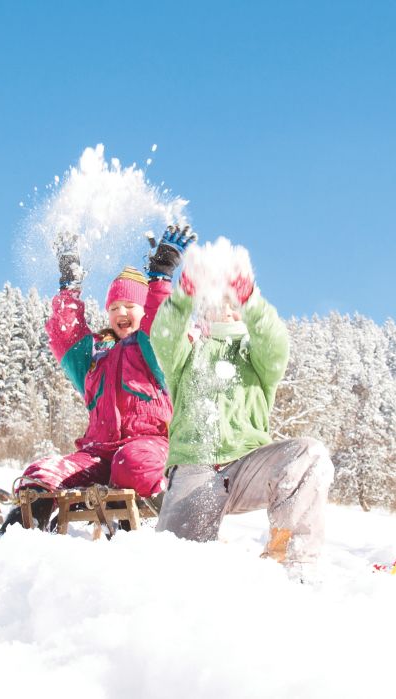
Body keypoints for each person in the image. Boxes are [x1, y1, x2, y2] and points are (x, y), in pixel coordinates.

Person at [149, 239, 335, 580]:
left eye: (232, 303)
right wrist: (184, 292)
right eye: (214, 302)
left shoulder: (257, 355)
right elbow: (161, 336)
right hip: (195, 467)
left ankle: (292, 563)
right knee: (175, 568)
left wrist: (249, 295)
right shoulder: (187, 353)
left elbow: (275, 340)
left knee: (310, 455)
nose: (223, 308)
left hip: (250, 466)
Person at [0, 225, 196, 532]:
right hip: (99, 453)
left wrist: (159, 279)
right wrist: (69, 286)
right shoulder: (96, 356)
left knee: (132, 464)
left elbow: (163, 328)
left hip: (151, 447)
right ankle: (21, 530)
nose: (121, 312)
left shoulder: (154, 350)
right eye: (114, 307)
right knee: (42, 473)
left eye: (130, 306)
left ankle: (166, 507)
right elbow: (65, 335)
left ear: (144, 310)